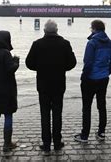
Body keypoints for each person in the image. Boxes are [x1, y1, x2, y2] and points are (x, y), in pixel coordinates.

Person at [25, 20, 77, 153]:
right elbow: (72, 63)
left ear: (44, 30)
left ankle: (46, 144)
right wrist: (61, 68)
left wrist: (40, 68)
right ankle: (57, 142)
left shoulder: (37, 44)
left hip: (43, 84)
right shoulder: (65, 44)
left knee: (45, 114)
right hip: (59, 84)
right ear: (57, 30)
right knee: (57, 114)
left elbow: (29, 63)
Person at [74, 20, 111, 143]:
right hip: (103, 79)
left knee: (86, 107)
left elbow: (88, 63)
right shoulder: (110, 43)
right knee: (102, 105)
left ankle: (84, 135)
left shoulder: (92, 43)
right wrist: (106, 72)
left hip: (90, 79)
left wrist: (84, 76)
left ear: (94, 29)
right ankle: (101, 133)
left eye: (91, 28)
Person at [0, 31, 20, 152]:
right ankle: (7, 144)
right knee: (8, 114)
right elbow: (10, 69)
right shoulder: (6, 53)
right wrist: (16, 61)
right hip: (7, 89)